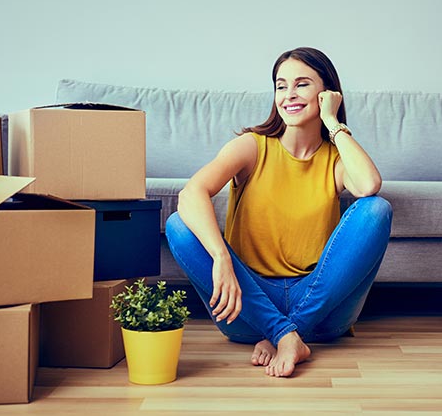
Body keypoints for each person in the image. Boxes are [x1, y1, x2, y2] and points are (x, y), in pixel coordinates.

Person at [165, 47, 392, 378]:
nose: (289, 95)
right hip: (248, 307)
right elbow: (191, 194)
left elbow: (370, 184)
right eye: (281, 85)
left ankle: (286, 334)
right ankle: (285, 333)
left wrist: (332, 122)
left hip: (321, 310)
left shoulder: (334, 161)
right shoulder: (252, 146)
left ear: (327, 93)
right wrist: (221, 258)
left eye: (301, 84)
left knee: (376, 210)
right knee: (178, 226)